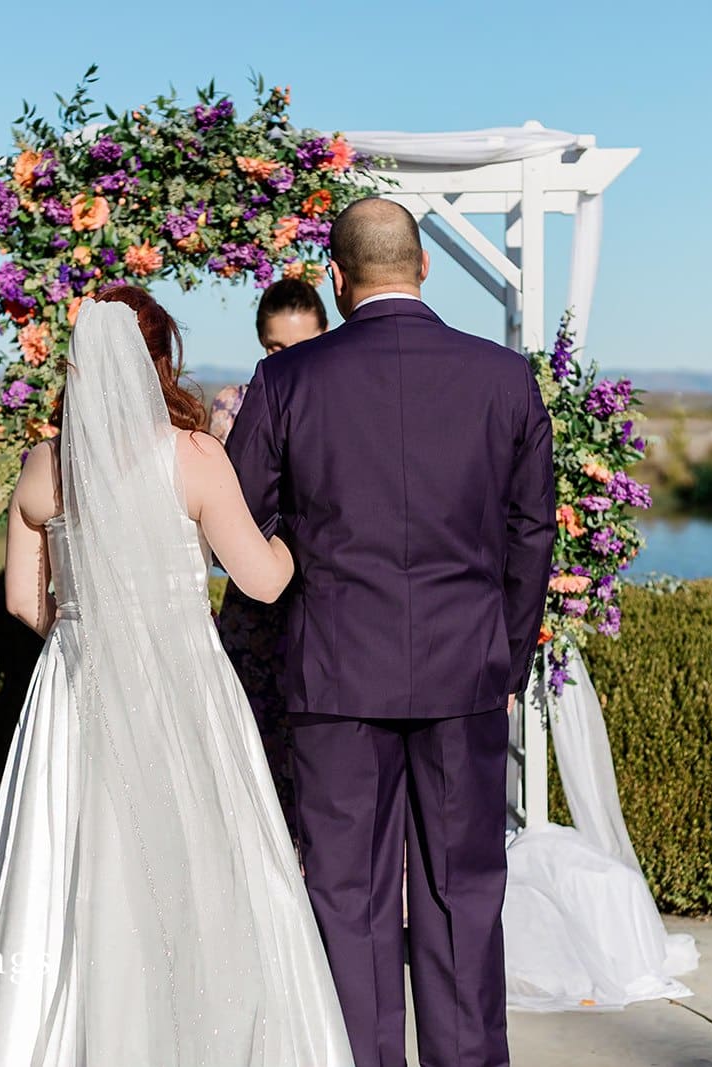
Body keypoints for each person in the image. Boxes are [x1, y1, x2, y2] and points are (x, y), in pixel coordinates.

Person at [0, 285, 353, 1067]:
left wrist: (90, 627)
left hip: (77, 688)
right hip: (182, 687)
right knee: (203, 868)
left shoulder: (44, 467)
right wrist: (294, 535)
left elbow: (26, 601)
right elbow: (261, 581)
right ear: (161, 362)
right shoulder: (193, 457)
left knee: (71, 870)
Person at [226, 198, 556, 1067]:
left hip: (335, 673)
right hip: (466, 673)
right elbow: (532, 532)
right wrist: (507, 655)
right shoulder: (503, 377)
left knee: (350, 898)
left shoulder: (287, 381)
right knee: (463, 894)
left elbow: (239, 520)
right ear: (425, 267)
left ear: (336, 280)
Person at [210, 278, 330, 844]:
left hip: (327, 602)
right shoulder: (233, 405)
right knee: (253, 753)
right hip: (255, 606)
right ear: (262, 346)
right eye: (277, 350)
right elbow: (223, 506)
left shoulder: (345, 399)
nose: (290, 360)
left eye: (303, 345)